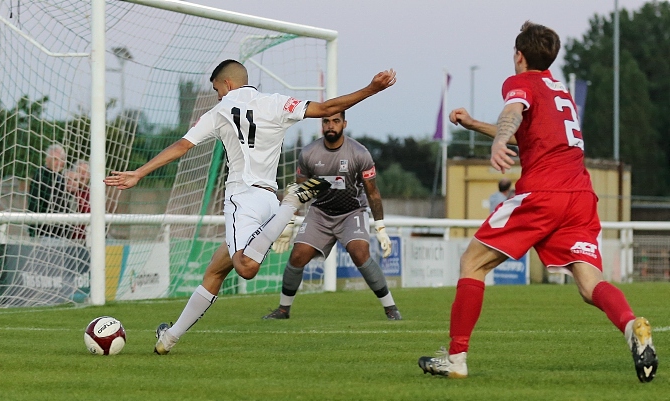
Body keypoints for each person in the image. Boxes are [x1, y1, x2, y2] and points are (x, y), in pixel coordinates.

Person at [104, 59, 397, 355]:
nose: (218, 95)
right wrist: (372, 88)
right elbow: (325, 108)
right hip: (268, 199)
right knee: (217, 269)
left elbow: (183, 145)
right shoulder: (277, 102)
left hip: (242, 198)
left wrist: (138, 173)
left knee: (245, 266)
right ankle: (169, 338)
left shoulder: (219, 110)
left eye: (217, 89)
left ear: (227, 84)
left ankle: (290, 206)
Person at [418, 21, 657, 382]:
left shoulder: (520, 82)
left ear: (519, 54)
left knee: (472, 262)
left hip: (544, 193)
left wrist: (499, 141)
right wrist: (477, 126)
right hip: (579, 196)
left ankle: (456, 358)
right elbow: (534, 138)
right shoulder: (558, 91)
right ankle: (631, 327)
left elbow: (512, 115)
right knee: (590, 285)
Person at [262, 111, 402, 321]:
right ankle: (283, 310)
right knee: (298, 255)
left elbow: (372, 192)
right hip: (320, 213)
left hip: (352, 212)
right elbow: (300, 191)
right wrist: (288, 222)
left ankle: (391, 308)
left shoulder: (359, 153)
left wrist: (380, 228)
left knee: (360, 252)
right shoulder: (309, 153)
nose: (330, 126)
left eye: (336, 121)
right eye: (326, 121)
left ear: (344, 124)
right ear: (321, 125)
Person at [27, 144, 70, 237]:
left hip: (61, 232)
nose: (59, 163)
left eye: (62, 159)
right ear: (47, 160)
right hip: (43, 232)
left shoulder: (61, 178)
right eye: (55, 159)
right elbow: (34, 205)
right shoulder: (40, 176)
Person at [66, 160, 91, 240]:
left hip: (90, 239)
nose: (83, 175)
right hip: (71, 240)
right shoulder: (68, 193)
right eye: (80, 172)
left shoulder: (94, 193)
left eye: (86, 172)